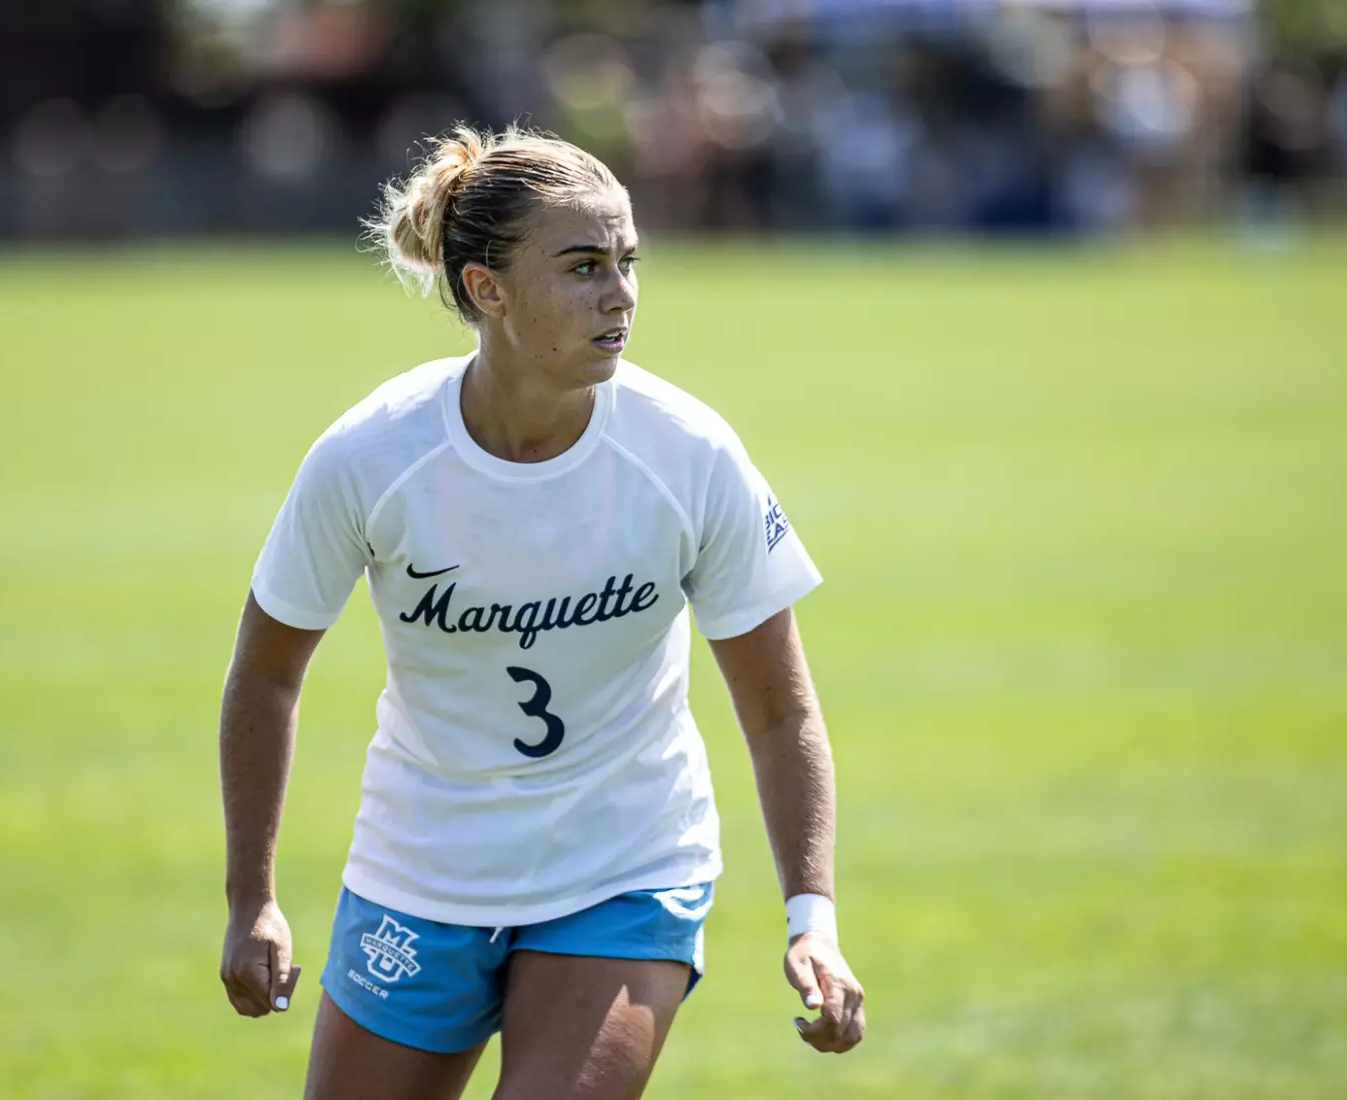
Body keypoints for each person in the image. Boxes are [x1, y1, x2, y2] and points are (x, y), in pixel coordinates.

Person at [218, 124, 865, 1100]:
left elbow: (781, 712)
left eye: (629, 261)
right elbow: (267, 673)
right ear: (486, 289)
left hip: (624, 865)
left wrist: (811, 912)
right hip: (421, 864)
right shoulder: (372, 455)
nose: (621, 294)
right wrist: (251, 897)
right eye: (582, 266)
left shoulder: (688, 453)